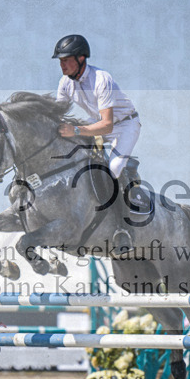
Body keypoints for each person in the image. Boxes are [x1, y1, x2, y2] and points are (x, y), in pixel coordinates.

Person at [52, 34, 143, 254]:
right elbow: (57, 115)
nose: (62, 65)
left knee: (111, 169)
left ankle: (123, 229)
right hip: (97, 125)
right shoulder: (65, 83)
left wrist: (74, 130)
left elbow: (108, 125)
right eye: (60, 61)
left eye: (66, 60)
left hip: (124, 126)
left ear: (81, 58)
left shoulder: (102, 79)